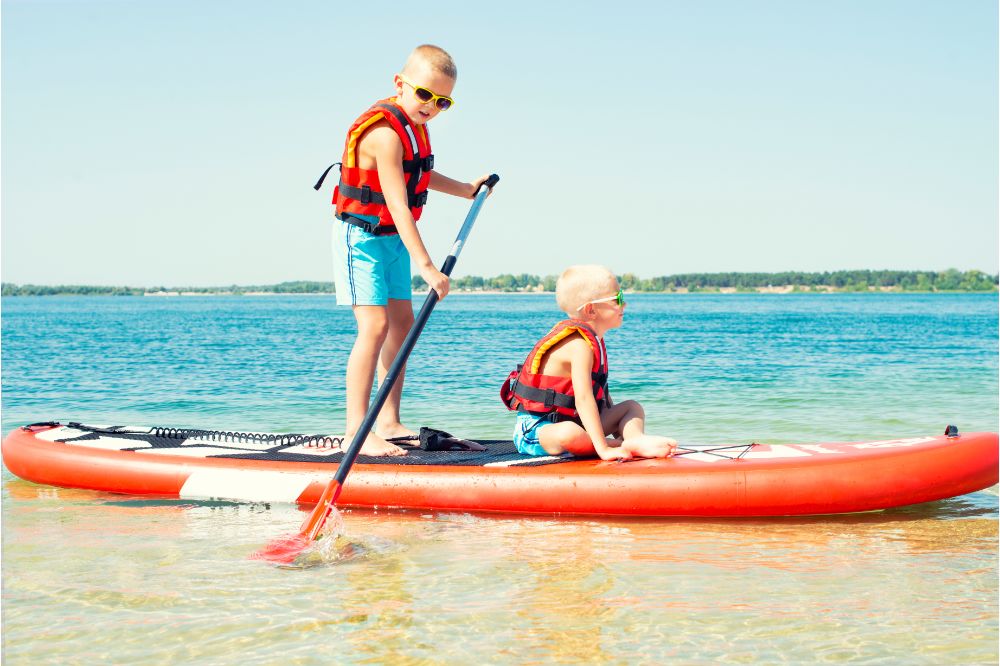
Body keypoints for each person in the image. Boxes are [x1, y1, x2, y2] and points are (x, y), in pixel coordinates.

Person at [325, 45, 491, 456]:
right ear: (400, 84)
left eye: (443, 102)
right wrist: (429, 268)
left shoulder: (413, 128)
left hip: (393, 239)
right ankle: (354, 433)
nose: (432, 107)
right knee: (375, 327)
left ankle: (389, 420)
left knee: (402, 324)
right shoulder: (383, 134)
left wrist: (467, 190)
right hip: (361, 238)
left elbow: (422, 174)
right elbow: (398, 204)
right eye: (424, 95)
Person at [501, 265, 679, 460]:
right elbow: (584, 399)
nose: (624, 304)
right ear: (591, 310)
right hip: (537, 429)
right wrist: (603, 449)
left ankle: (634, 439)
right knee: (570, 433)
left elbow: (601, 395)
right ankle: (618, 445)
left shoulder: (595, 342)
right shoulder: (579, 346)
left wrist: (619, 427)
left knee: (632, 407)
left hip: (577, 423)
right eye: (617, 299)